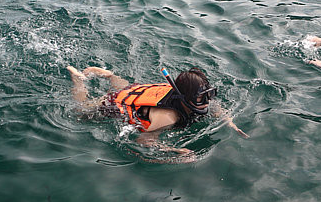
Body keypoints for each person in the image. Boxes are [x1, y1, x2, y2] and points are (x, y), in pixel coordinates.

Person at [67, 65, 247, 156]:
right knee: (81, 111)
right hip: (116, 104)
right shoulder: (167, 117)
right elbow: (143, 140)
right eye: (202, 98)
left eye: (209, 95)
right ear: (185, 98)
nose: (207, 102)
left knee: (126, 88)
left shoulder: (197, 98)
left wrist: (231, 123)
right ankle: (78, 79)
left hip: (136, 92)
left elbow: (216, 108)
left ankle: (110, 75)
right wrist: (174, 151)